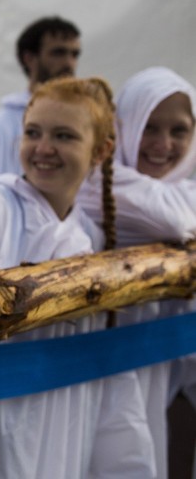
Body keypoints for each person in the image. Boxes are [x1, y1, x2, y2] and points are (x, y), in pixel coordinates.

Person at [0, 76, 154, 478]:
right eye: (33, 133)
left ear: (101, 150)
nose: (44, 149)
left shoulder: (87, 234)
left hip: (61, 419)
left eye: (64, 136)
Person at [76, 66, 195, 479]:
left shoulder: (180, 190)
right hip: (91, 371)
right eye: (149, 127)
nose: (163, 145)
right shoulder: (95, 184)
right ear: (122, 129)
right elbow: (174, 220)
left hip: (153, 368)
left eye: (179, 131)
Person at [0, 16, 81, 190]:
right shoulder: (0, 127)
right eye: (58, 52)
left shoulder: (80, 120)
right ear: (29, 58)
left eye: (74, 54)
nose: (69, 63)